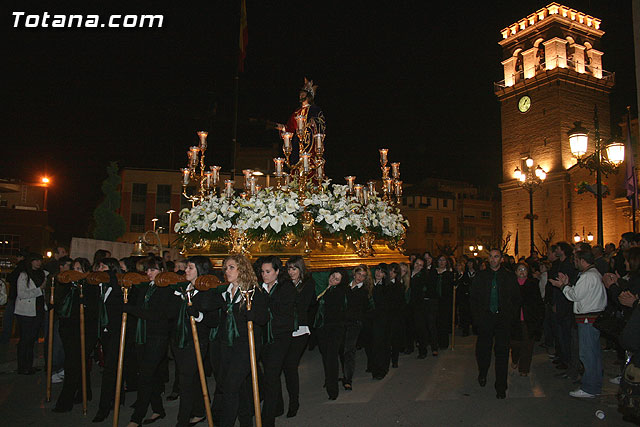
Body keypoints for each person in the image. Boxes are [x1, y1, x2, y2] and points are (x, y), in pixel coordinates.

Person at [211, 255, 267, 427]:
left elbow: (264, 318)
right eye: (225, 268)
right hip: (227, 346)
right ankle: (246, 422)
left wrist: (252, 315)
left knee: (230, 387)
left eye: (231, 267)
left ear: (242, 269)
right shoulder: (225, 292)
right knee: (240, 388)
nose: (226, 271)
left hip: (245, 347)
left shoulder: (252, 292)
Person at [123, 257, 175, 426]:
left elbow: (158, 314)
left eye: (153, 270)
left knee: (145, 376)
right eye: (147, 270)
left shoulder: (166, 289)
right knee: (147, 375)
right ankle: (158, 409)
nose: (148, 273)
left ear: (161, 270)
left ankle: (136, 417)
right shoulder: (146, 287)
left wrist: (131, 310)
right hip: (142, 335)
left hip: (157, 337)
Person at [550, 249, 607, 398]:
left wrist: (562, 286)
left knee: (588, 354)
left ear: (582, 260)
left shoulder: (588, 276)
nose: (574, 263)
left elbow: (574, 295)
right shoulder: (593, 274)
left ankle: (590, 387)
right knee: (593, 354)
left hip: (588, 320)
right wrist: (568, 284)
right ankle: (594, 384)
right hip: (591, 319)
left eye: (576, 260)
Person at [171, 256, 219, 427]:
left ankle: (181, 421)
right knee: (192, 378)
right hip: (180, 339)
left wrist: (198, 315)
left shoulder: (207, 291)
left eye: (190, 268)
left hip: (197, 341)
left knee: (185, 380)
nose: (186, 271)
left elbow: (214, 320)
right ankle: (199, 411)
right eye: (187, 267)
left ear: (200, 270)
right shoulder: (183, 288)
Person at [471, 249, 521, 399]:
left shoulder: (509, 277)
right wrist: (477, 318)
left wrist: (511, 318)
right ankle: (483, 372)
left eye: (496, 257)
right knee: (483, 349)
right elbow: (474, 298)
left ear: (501, 259)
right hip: (485, 318)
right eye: (491, 257)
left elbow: (516, 299)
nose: (493, 260)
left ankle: (501, 386)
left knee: (502, 352)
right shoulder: (481, 276)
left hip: (502, 319)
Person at [53, 257, 99, 413]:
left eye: (79, 269)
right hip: (68, 330)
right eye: (74, 268)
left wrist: (83, 301)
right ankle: (84, 391)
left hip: (85, 331)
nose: (76, 272)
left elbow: (93, 310)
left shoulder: (91, 286)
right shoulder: (67, 285)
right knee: (76, 362)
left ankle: (66, 400)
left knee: (73, 364)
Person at [257, 256, 295, 427]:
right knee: (269, 374)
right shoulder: (260, 287)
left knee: (271, 375)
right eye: (262, 272)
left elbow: (282, 313)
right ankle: (277, 406)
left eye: (268, 272)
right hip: (264, 337)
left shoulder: (286, 288)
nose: (264, 275)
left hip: (280, 337)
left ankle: (267, 420)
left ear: (278, 271)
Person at [93, 257, 127, 422]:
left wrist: (111, 277)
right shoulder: (97, 285)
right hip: (103, 332)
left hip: (115, 331)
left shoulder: (117, 285)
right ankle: (117, 396)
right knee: (110, 366)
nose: (100, 269)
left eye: (103, 266)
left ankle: (104, 407)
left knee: (110, 369)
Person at [282, 256, 316, 418]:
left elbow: (302, 304)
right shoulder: (285, 284)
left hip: (300, 329)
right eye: (288, 269)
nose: (291, 272)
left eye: (294, 268)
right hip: (284, 329)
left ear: (301, 270)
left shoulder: (308, 284)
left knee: (290, 365)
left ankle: (294, 402)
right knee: (284, 366)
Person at [314, 268, 347, 400]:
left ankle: (333, 390)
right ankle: (329, 380)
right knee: (325, 356)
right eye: (333, 276)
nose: (333, 279)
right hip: (322, 329)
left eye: (337, 279)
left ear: (341, 282)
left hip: (335, 329)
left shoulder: (338, 292)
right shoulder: (325, 288)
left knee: (331, 358)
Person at [14, 253, 49, 374]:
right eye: (36, 261)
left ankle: (28, 365)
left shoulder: (43, 274)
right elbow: (22, 294)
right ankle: (23, 366)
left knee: (32, 339)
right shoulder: (24, 275)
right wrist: (39, 289)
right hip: (25, 311)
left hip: (38, 310)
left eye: (40, 260)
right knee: (25, 339)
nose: (38, 263)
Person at [279, 78, 326, 163]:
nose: (301, 96)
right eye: (300, 94)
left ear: (308, 96)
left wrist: (314, 122)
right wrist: (283, 129)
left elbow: (322, 122)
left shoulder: (314, 110)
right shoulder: (297, 112)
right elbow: (290, 128)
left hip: (310, 141)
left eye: (303, 94)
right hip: (298, 143)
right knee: (297, 162)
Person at [510, 262, 544, 376]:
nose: (522, 271)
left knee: (527, 344)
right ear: (515, 272)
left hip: (528, 320)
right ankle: (515, 358)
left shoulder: (532, 284)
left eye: (524, 269)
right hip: (514, 320)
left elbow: (538, 302)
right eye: (519, 269)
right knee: (515, 344)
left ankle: (524, 368)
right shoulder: (511, 285)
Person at [340, 265, 369, 390]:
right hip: (342, 322)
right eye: (359, 274)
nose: (360, 277)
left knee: (349, 350)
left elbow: (361, 308)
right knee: (342, 349)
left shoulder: (363, 291)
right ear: (354, 274)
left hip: (354, 323)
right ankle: (345, 372)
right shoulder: (344, 286)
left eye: (363, 276)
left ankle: (348, 379)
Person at [370, 263, 391, 379]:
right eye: (377, 270)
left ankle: (381, 369)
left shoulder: (386, 287)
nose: (378, 273)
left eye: (382, 272)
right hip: (372, 319)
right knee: (373, 344)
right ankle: (374, 366)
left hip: (382, 319)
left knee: (381, 344)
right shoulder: (370, 284)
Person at [409, 258, 433, 358]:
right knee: (410, 327)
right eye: (417, 263)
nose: (418, 266)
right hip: (409, 304)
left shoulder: (423, 276)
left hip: (419, 305)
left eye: (420, 265)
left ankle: (423, 350)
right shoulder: (408, 273)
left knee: (420, 328)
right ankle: (409, 347)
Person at [387, 263, 406, 368]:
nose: (391, 273)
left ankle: (395, 360)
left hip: (395, 316)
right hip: (385, 316)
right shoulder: (383, 284)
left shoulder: (398, 285)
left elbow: (401, 302)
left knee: (394, 339)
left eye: (394, 272)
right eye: (390, 270)